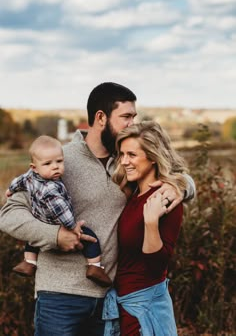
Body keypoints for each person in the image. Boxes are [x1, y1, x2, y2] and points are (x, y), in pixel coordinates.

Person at [0, 82, 195, 336]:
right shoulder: (59, 159)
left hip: (109, 301)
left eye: (134, 117)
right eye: (126, 117)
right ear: (101, 117)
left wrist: (182, 187)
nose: (132, 124)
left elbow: (170, 171)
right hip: (61, 296)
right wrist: (55, 236)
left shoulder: (127, 162)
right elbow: (9, 215)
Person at [104, 121, 189, 335]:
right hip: (125, 305)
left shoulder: (165, 199)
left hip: (145, 309)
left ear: (152, 157)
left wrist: (151, 223)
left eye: (132, 155)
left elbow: (157, 265)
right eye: (121, 154)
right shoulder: (133, 194)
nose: (124, 162)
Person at [6, 135, 112, 287]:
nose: (55, 166)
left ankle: (29, 262)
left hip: (40, 220)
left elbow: (19, 181)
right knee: (91, 238)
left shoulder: (30, 177)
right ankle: (95, 267)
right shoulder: (51, 188)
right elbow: (63, 214)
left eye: (59, 161)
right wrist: (73, 226)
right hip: (59, 223)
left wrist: (10, 190)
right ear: (34, 167)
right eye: (48, 163)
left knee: (33, 241)